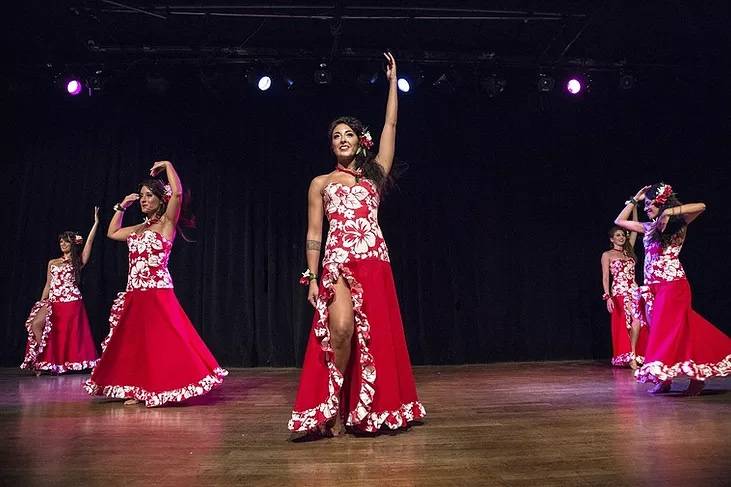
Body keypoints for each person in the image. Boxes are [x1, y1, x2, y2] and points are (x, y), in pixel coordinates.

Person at [289, 52, 425, 436]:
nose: (342, 139)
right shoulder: (320, 183)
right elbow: (314, 234)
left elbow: (391, 124)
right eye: (336, 136)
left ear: (359, 142)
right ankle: (332, 406)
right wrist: (311, 277)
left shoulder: (374, 176)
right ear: (331, 146)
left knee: (376, 339)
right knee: (342, 330)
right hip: (336, 265)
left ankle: (367, 409)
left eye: (348, 134)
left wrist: (393, 82)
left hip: (373, 260)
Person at [84, 161, 227, 406]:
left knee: (164, 341)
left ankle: (160, 387)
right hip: (135, 292)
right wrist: (122, 206)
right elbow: (112, 232)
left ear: (161, 200)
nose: (143, 200)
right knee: (134, 344)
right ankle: (136, 388)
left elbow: (178, 193)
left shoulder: (166, 224)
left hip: (157, 290)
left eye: (149, 196)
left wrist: (169, 166)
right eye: (141, 196)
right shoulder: (139, 227)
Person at [614, 182, 731, 395]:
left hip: (673, 285)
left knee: (665, 331)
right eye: (646, 204)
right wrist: (635, 200)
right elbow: (619, 221)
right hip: (653, 287)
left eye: (651, 204)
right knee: (666, 331)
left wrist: (669, 211)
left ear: (662, 204)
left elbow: (702, 206)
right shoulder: (648, 228)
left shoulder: (679, 226)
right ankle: (665, 379)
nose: (647, 208)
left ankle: (695, 379)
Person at [21, 208, 100, 374]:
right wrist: (42, 302)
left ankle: (53, 365)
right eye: (61, 242)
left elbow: (89, 243)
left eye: (66, 241)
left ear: (72, 244)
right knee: (36, 324)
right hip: (53, 301)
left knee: (63, 337)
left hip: (71, 302)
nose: (62, 244)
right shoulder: (52, 262)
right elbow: (48, 285)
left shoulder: (78, 262)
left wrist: (96, 223)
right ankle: (42, 361)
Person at [601, 205, 648, 368]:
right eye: (617, 235)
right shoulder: (607, 255)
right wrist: (607, 296)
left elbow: (634, 228)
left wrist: (634, 207)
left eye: (622, 234)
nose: (621, 237)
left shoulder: (629, 252)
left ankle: (633, 354)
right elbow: (606, 277)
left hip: (634, 290)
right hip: (619, 292)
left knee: (637, 322)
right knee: (627, 324)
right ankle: (630, 356)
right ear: (611, 239)